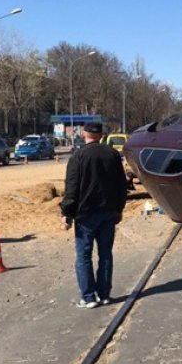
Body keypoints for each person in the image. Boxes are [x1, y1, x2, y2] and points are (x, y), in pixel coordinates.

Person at [60, 122, 127, 309]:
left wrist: (66, 213)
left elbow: (71, 188)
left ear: (84, 134)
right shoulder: (112, 155)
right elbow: (121, 185)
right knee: (105, 255)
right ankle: (105, 295)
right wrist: (119, 208)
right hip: (108, 213)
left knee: (84, 256)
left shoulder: (78, 156)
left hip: (86, 215)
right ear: (101, 135)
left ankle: (88, 297)